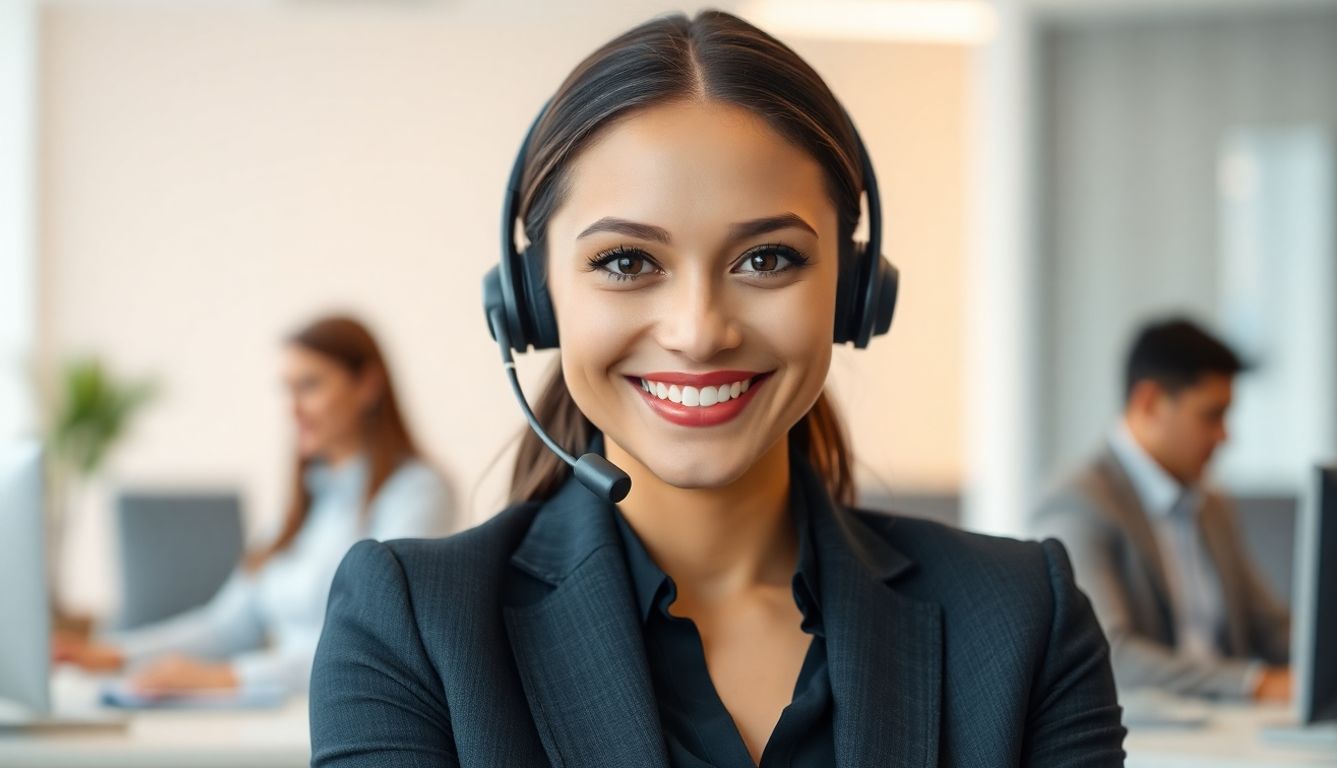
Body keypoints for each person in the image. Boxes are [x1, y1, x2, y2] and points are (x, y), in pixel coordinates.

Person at [310, 12, 1125, 766]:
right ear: (532, 300)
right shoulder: (411, 626)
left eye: (767, 258)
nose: (699, 331)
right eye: (627, 262)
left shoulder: (1021, 621)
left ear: (854, 292)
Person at [53, 315, 455, 698]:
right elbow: (226, 627)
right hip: (281, 709)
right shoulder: (300, 511)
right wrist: (112, 654)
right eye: (287, 388)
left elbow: (374, 643)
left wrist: (228, 678)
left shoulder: (416, 494)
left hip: (344, 713)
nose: (292, 407)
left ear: (367, 384)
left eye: (310, 385)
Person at [1032, 317, 1291, 701]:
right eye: (1211, 415)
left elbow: (1272, 628)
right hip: (1152, 739)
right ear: (1150, 402)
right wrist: (1255, 684)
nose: (1225, 436)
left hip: (1234, 728)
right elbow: (1108, 656)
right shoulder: (1077, 503)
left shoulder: (1212, 505)